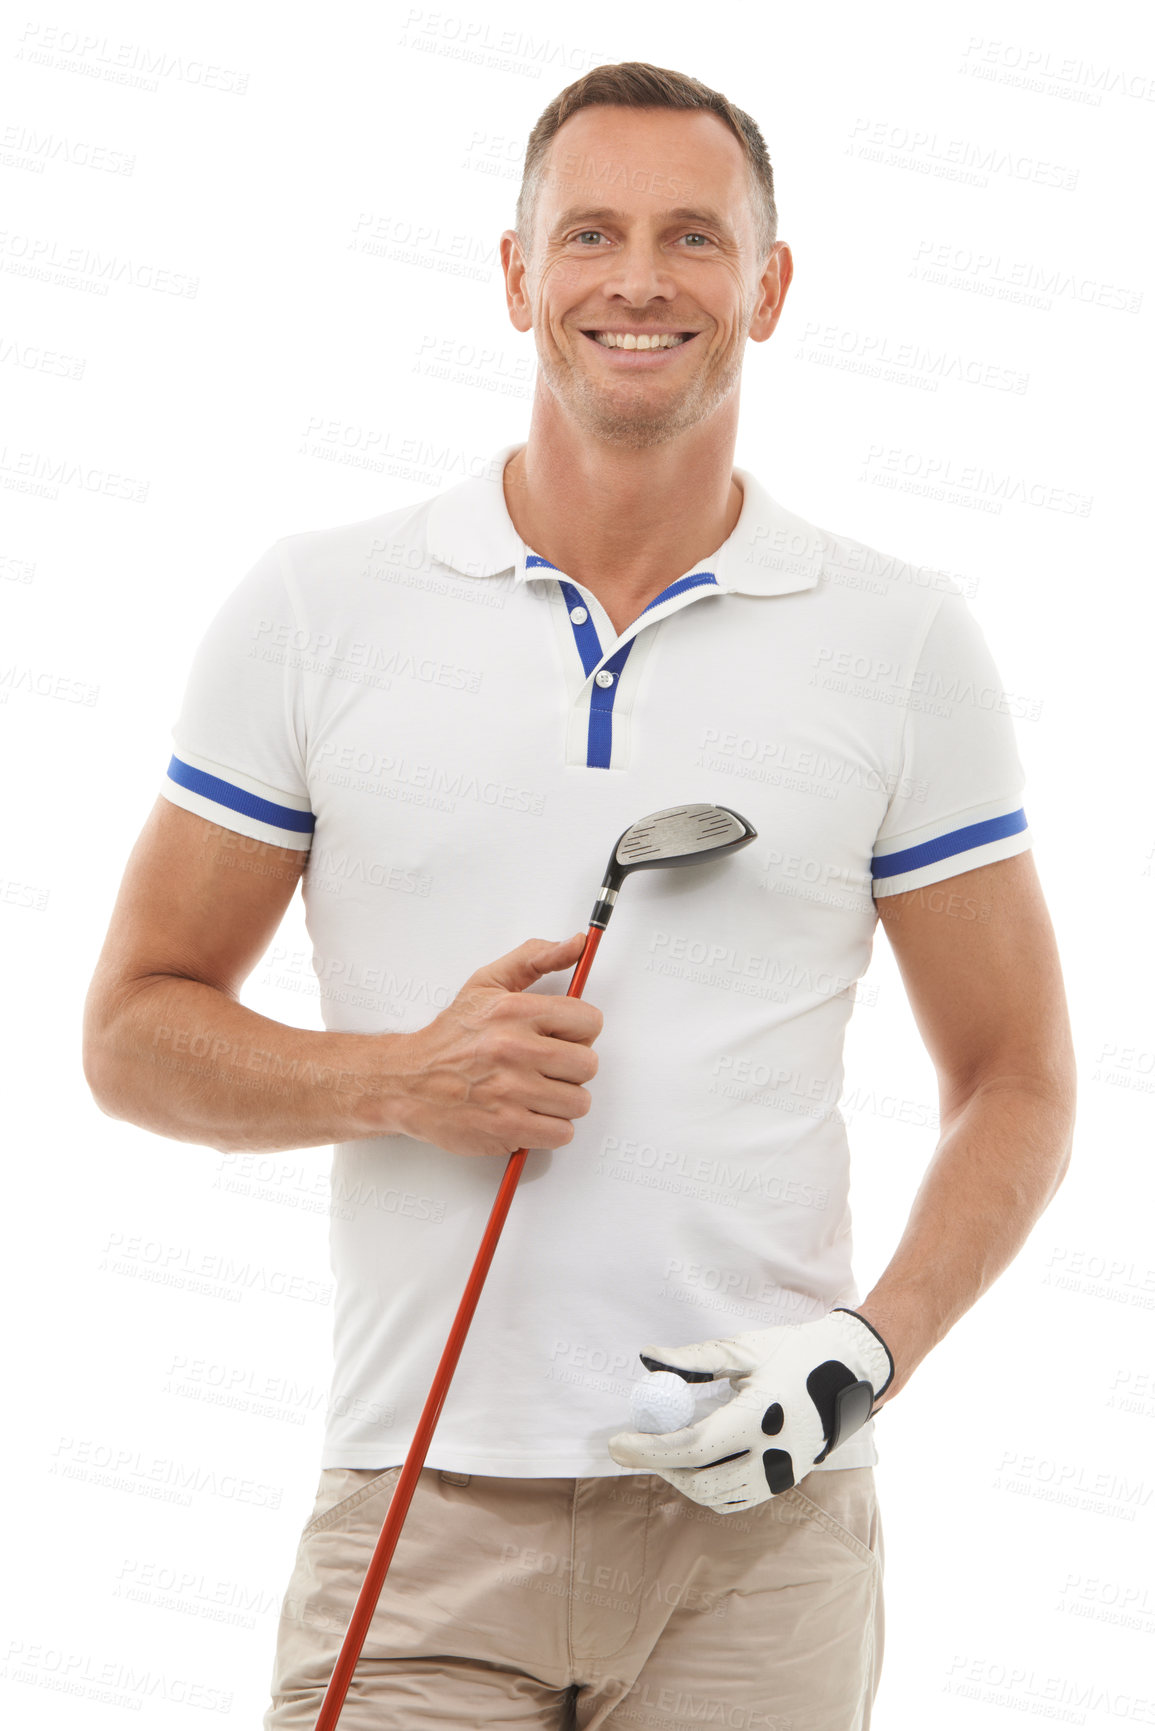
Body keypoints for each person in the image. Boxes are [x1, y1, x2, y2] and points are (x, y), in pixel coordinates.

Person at [82, 60, 1076, 1731]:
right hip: (419, 1514)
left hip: (759, 1534)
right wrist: (402, 1076)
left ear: (768, 285)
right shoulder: (318, 608)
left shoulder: (900, 640)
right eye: (592, 232)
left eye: (695, 237)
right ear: (515, 273)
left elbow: (1020, 1076)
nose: (639, 279)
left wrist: (872, 1350)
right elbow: (132, 1030)